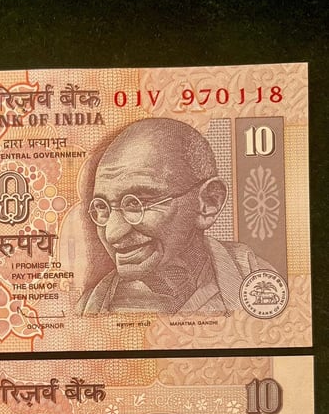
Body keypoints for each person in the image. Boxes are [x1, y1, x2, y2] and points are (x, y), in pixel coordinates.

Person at [78, 118, 274, 314]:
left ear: (208, 203)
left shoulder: (257, 280)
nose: (112, 233)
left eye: (138, 203)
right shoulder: (89, 307)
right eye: (102, 207)